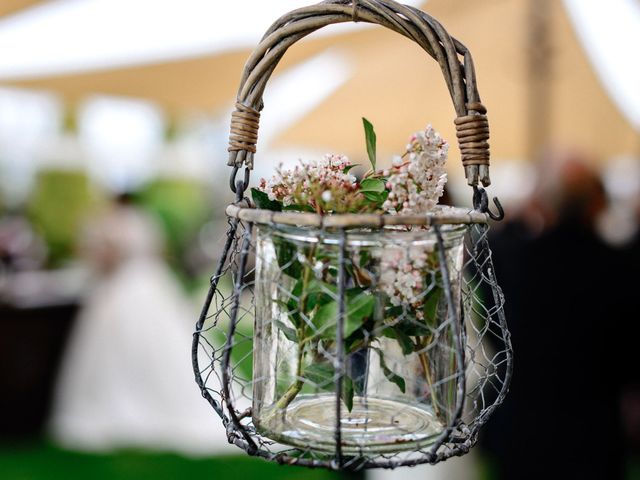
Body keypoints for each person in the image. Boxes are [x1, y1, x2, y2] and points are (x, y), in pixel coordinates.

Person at [49, 195, 232, 455]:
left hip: (125, 286)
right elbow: (160, 251)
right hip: (152, 282)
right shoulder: (145, 220)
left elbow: (107, 259)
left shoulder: (110, 223)